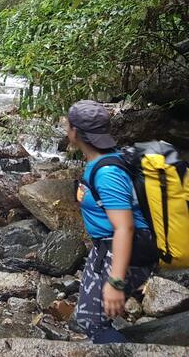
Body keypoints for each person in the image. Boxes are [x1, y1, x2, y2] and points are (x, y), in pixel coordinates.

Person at [67, 100, 155, 343]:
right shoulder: (99, 161)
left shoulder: (107, 173)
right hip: (104, 249)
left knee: (92, 321)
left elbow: (124, 226)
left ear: (74, 131)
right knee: (87, 317)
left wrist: (116, 281)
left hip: (123, 249)